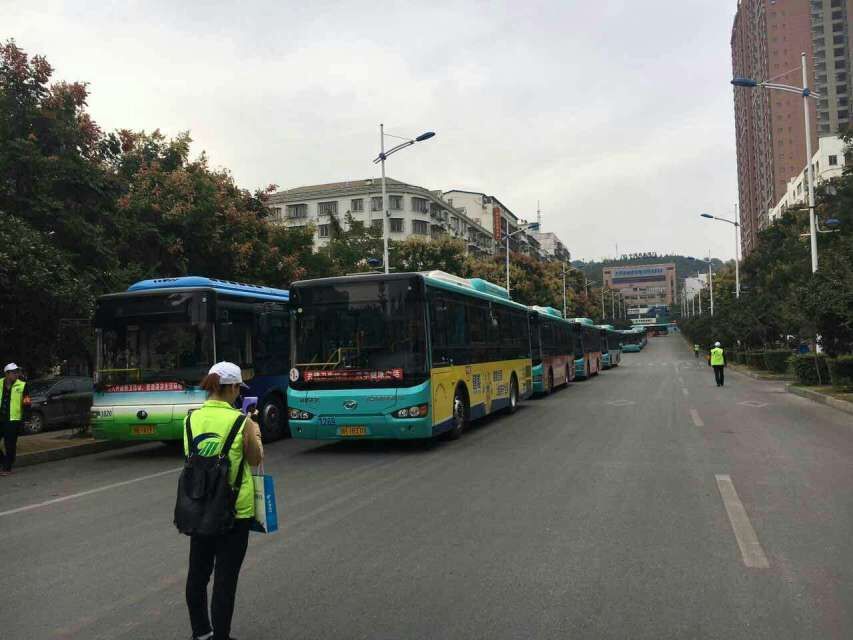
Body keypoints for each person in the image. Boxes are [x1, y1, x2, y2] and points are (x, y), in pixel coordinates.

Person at [184, 362, 263, 640]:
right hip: (234, 511)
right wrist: (254, 430)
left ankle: (201, 633)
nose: (239, 394)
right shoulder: (242, 422)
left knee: (198, 574)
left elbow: (192, 458)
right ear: (231, 388)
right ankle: (221, 637)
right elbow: (255, 459)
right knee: (225, 580)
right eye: (238, 389)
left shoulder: (190, 419)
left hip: (199, 506)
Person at [1, 363, 30, 476]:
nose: (16, 374)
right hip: (1, 418)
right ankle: (4, 461)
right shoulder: (0, 383)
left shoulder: (22, 385)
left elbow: (27, 403)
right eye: (13, 372)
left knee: (10, 445)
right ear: (7, 374)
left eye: (17, 372)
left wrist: (26, 418)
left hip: (13, 420)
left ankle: (7, 467)